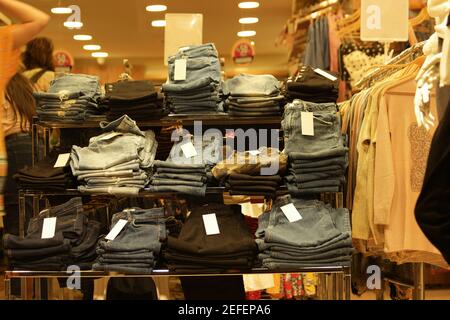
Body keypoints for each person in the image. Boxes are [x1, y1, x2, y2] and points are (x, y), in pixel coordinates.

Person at [0, 0, 50, 228]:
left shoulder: (12, 78)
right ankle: (28, 257)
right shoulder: (23, 82)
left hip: (13, 146)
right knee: (31, 212)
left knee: (16, 211)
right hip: (33, 143)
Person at [2, 73, 36, 235]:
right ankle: (34, 251)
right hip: (36, 144)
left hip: (11, 146)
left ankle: (16, 253)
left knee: (14, 204)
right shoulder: (26, 84)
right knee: (33, 202)